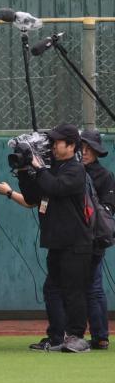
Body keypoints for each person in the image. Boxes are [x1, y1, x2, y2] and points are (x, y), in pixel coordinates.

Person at [15, 124, 94, 353]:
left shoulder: (75, 170)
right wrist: (23, 171)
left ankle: (77, 336)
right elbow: (32, 197)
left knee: (74, 290)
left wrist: (39, 168)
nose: (52, 145)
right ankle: (56, 336)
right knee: (52, 289)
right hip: (57, 243)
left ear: (70, 146)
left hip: (76, 243)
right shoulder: (51, 169)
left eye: (57, 142)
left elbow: (56, 187)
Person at [79, 129, 114, 349]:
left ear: (96, 152)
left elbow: (109, 209)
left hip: (94, 237)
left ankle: (100, 335)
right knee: (81, 287)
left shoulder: (104, 176)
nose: (83, 152)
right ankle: (76, 333)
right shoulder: (72, 172)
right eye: (81, 148)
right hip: (75, 237)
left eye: (88, 149)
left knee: (93, 286)